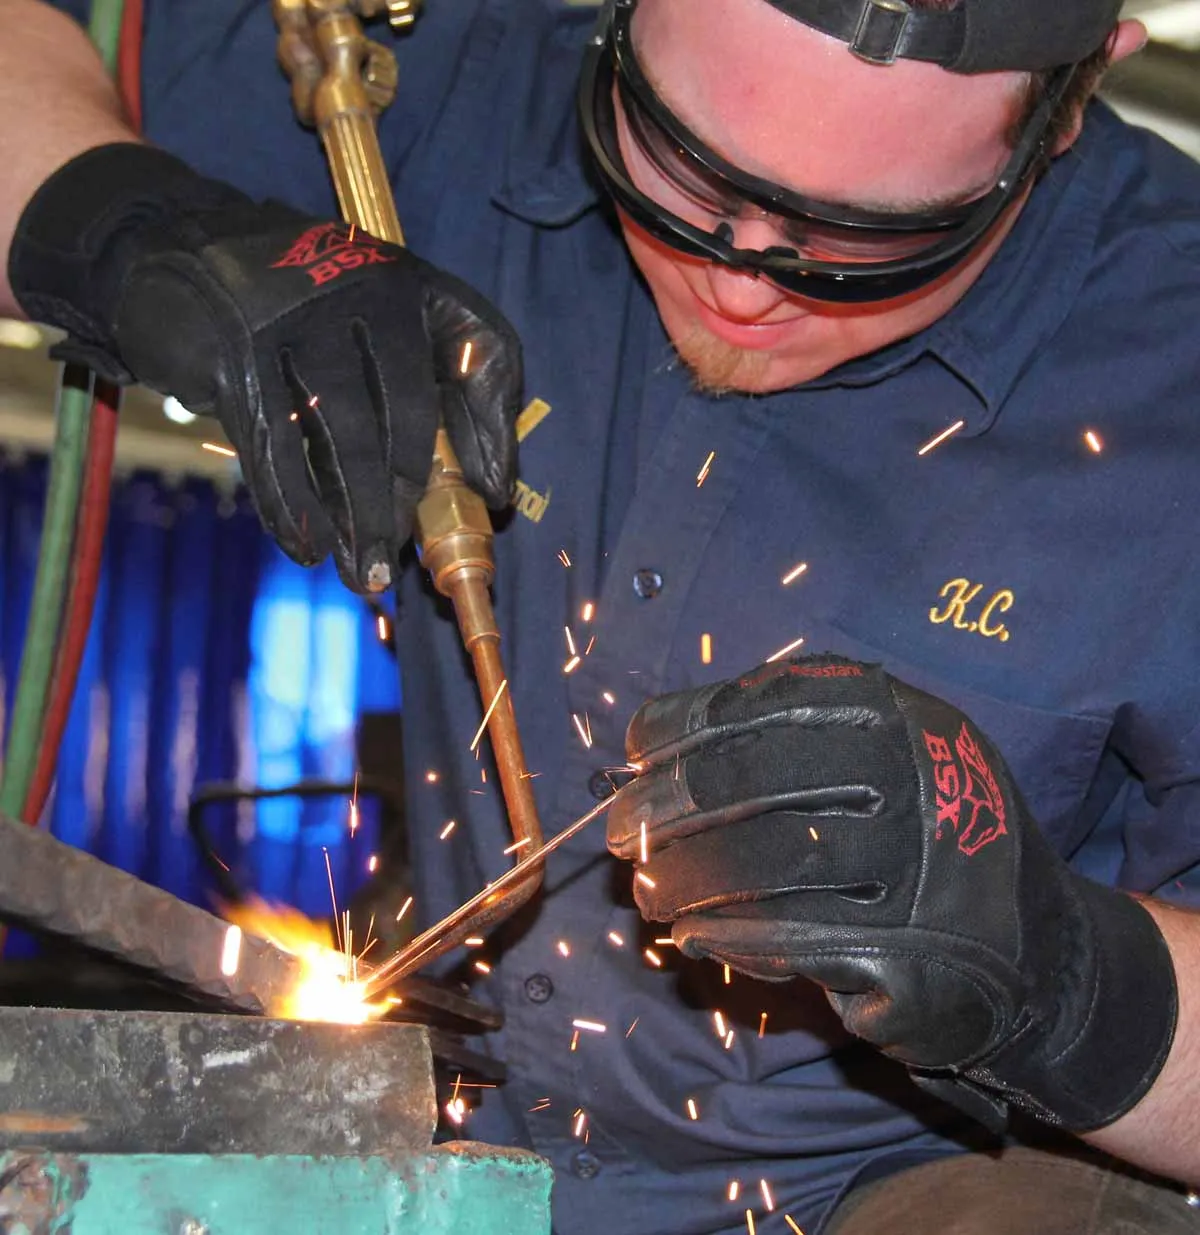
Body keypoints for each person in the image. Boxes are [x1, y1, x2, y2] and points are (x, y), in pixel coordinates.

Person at [3, 0, 1200, 1230]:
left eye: (860, 234)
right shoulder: (458, 82)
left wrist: (1056, 968)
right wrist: (137, 235)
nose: (739, 280)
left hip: (923, 1179)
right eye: (683, 165)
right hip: (464, 1137)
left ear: (1071, 99)